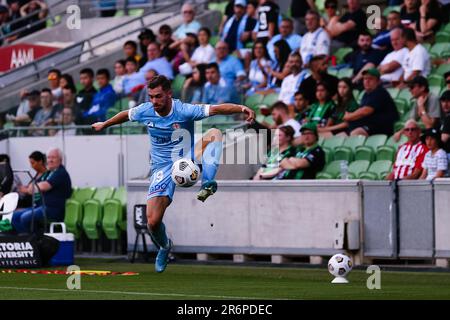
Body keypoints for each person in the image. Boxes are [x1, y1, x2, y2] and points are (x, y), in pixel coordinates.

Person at [91, 75, 255, 273]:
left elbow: (216, 109)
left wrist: (241, 108)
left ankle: (208, 182)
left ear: (169, 93)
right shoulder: (146, 110)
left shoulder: (184, 110)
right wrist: (104, 124)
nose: (154, 101)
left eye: (158, 96)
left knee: (214, 134)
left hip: (186, 158)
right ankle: (164, 246)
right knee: (152, 221)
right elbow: (126, 114)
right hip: (161, 168)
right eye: (151, 97)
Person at [11, 148, 72, 234]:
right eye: (49, 157)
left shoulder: (61, 173)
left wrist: (32, 187)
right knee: (13, 216)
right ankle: (26, 240)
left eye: (53, 157)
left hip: (53, 209)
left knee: (25, 217)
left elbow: (43, 186)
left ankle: (36, 241)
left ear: (60, 159)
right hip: (41, 207)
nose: (50, 160)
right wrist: (32, 187)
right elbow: (36, 186)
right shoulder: (51, 172)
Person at [345, 68, 399, 136]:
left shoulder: (379, 92)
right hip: (370, 125)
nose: (367, 81)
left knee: (357, 133)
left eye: (370, 79)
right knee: (341, 135)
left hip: (382, 127)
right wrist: (351, 114)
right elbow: (361, 109)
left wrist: (349, 116)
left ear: (378, 81)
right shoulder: (366, 94)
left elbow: (365, 111)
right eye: (365, 79)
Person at [439, 90, 450, 161]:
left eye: (449, 101)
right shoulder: (445, 118)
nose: (445, 104)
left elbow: (443, 139)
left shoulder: (449, 118)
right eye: (443, 101)